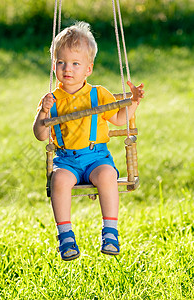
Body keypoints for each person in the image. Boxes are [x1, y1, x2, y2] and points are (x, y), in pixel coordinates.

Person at [33, 21, 144, 261]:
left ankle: (110, 232)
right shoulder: (52, 100)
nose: (67, 69)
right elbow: (41, 135)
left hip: (97, 158)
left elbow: (119, 119)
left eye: (75, 63)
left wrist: (134, 102)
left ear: (88, 69)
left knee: (107, 176)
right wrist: (43, 112)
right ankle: (65, 236)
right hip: (67, 161)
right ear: (54, 66)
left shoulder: (98, 95)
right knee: (58, 180)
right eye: (61, 62)